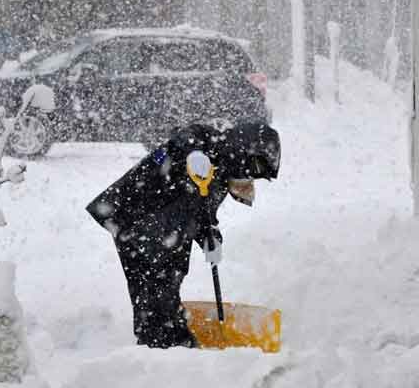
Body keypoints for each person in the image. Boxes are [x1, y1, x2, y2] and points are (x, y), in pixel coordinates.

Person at [86, 122, 281, 348]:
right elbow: (181, 139)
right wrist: (193, 153)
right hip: (136, 217)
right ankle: (165, 343)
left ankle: (164, 339)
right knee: (156, 283)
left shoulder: (220, 178)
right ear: (243, 148)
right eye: (255, 165)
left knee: (167, 280)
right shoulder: (204, 139)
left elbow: (203, 213)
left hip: (165, 227)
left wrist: (209, 236)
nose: (251, 174)